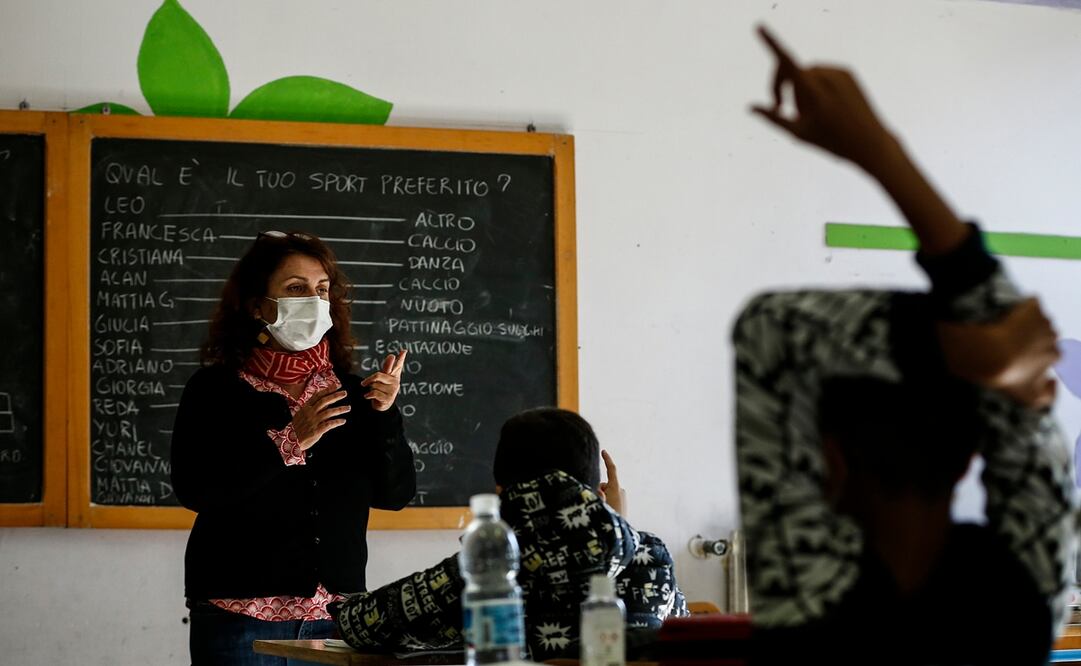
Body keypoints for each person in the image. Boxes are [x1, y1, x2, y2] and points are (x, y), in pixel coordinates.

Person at [735, 27, 1076, 665]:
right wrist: (878, 149)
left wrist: (976, 353)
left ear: (830, 462)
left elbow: (767, 325)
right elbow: (773, 330)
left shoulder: (807, 594)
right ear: (968, 457)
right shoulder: (1022, 597)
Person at [170, 230, 417, 666]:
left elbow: (395, 495)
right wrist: (290, 441)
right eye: (296, 289)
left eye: (322, 290)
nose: (314, 300)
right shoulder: (215, 389)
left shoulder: (352, 392)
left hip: (336, 619)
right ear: (257, 306)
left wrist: (385, 415)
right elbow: (198, 489)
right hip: (238, 617)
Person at [331, 407, 688, 661]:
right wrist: (616, 523)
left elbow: (364, 624)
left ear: (501, 492)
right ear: (597, 490)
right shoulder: (651, 559)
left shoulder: (490, 567)